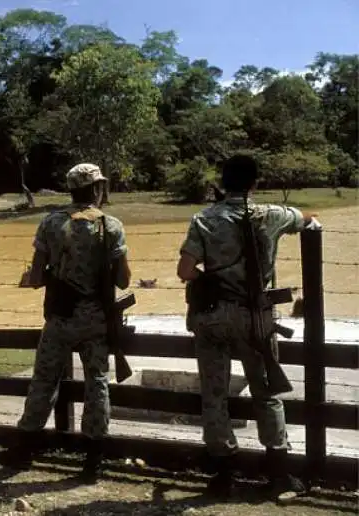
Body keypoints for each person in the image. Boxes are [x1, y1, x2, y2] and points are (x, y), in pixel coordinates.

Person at [176, 154, 316, 499]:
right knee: (266, 395)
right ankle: (279, 475)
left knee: (214, 395)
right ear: (255, 183)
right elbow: (308, 220)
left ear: (222, 183)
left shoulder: (203, 218)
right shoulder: (270, 215)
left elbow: (185, 271)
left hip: (212, 317)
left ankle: (224, 474)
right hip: (255, 318)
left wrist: (212, 280)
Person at [0, 163, 131, 481]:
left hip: (60, 317)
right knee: (97, 383)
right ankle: (93, 459)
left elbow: (37, 277)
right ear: (96, 189)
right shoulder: (110, 226)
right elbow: (124, 280)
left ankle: (24, 449)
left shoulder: (50, 223)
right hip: (96, 318)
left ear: (71, 189)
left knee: (44, 380)